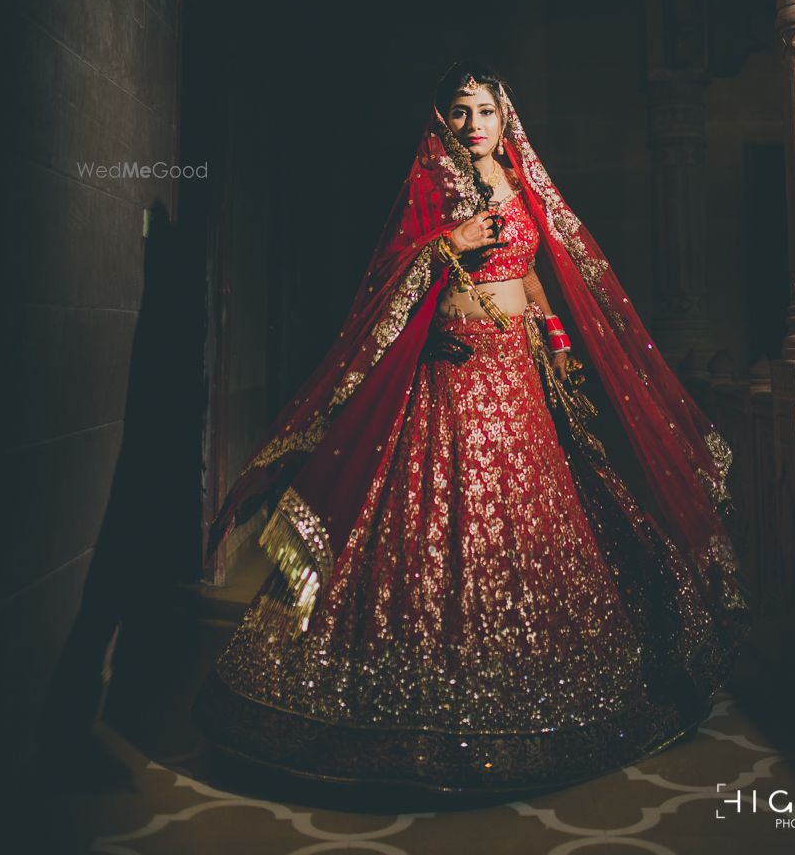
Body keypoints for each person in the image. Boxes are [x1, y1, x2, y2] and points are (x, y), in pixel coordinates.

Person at [192, 60, 749, 797]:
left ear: (505, 119)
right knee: (439, 521)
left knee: (528, 516)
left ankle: (543, 694)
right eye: (460, 111)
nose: (473, 124)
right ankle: (409, 702)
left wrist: (553, 337)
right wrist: (449, 240)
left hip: (516, 380)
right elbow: (388, 278)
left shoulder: (522, 188)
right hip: (449, 378)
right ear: (444, 120)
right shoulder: (430, 187)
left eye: (485, 110)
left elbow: (536, 270)